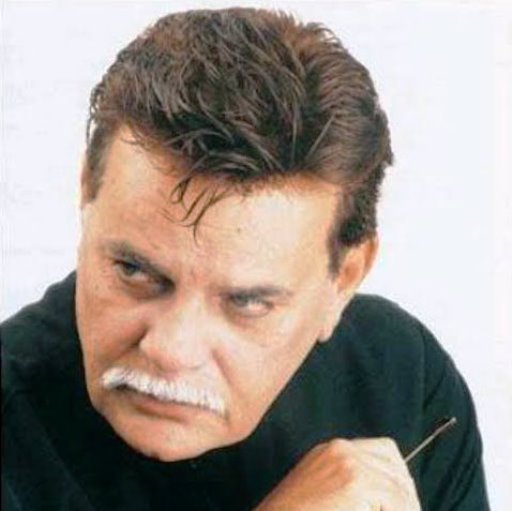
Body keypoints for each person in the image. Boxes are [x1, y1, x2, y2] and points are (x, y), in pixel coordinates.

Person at [1, 7, 489, 511]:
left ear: (344, 279)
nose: (172, 349)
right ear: (87, 195)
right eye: (136, 272)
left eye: (247, 303)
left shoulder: (402, 380)